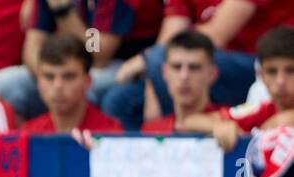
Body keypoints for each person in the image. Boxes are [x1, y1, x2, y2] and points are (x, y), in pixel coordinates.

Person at [103, 0, 290, 130]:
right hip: (201, 58)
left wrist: (145, 59)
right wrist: (153, 76)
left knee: (105, 78)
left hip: (257, 65)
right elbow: (168, 41)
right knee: (118, 99)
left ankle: (175, 138)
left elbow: (216, 35)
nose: (182, 76)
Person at [0, 0, 138, 119]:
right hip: (64, 66)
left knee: (86, 86)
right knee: (4, 84)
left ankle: (80, 143)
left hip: (115, 67)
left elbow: (97, 54)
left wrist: (63, 9)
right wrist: (49, 78)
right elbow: (32, 48)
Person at [179, 24, 294, 149]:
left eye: (291, 70)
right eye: (271, 71)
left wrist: (285, 121)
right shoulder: (261, 111)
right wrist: (218, 126)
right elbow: (189, 121)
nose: (280, 81)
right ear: (261, 75)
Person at [21, 32, 123, 132]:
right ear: (38, 81)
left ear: (88, 81)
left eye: (69, 77)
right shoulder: (28, 133)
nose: (58, 85)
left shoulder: (111, 134)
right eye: (49, 77)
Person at [140, 29, 223, 132]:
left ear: (212, 74)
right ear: (164, 73)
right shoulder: (151, 131)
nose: (184, 76)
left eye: (194, 67)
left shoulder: (231, 121)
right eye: (176, 67)